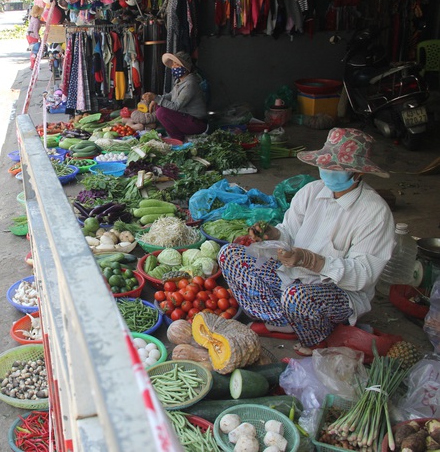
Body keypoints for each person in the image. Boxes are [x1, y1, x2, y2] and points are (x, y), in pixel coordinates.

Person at [217, 128, 396, 356]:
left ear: (358, 173)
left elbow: (363, 274)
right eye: (327, 165)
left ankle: (314, 334)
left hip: (335, 291)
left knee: (298, 297)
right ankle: (283, 322)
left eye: (338, 168)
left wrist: (312, 261)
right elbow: (289, 233)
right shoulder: (311, 192)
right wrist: (273, 235)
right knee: (229, 255)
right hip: (291, 275)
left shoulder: (375, 213)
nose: (329, 171)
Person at [141, 51, 208, 141]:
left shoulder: (190, 84)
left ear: (185, 67)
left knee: (162, 112)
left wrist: (156, 98)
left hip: (197, 123)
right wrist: (156, 99)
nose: (173, 67)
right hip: (187, 118)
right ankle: (178, 135)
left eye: (177, 65)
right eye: (173, 65)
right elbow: (171, 95)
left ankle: (178, 138)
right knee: (158, 106)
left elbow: (176, 106)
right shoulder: (180, 81)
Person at [26, 5, 44, 69]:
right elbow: (35, 31)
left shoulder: (33, 18)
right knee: (35, 51)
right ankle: (34, 66)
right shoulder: (36, 21)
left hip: (29, 35)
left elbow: (39, 22)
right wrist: (39, 38)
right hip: (33, 36)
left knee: (33, 50)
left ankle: (33, 65)